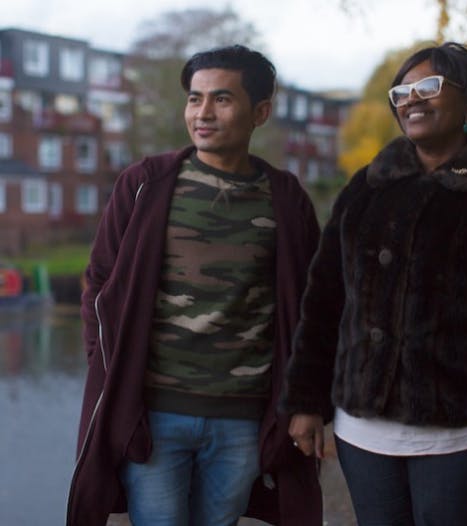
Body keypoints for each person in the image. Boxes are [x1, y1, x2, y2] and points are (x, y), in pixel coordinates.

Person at [281, 42, 467, 526]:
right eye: (402, 91)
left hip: (461, 437)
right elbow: (325, 299)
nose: (411, 100)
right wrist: (306, 400)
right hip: (362, 434)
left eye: (428, 87)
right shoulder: (367, 186)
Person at [67, 45, 322, 526]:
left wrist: (308, 403)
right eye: (194, 99)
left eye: (221, 100)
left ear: (260, 111)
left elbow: (313, 310)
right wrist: (107, 367)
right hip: (156, 416)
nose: (203, 113)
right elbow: (99, 283)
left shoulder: (286, 199)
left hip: (243, 419)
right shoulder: (145, 184)